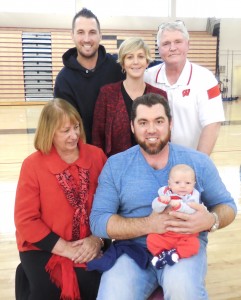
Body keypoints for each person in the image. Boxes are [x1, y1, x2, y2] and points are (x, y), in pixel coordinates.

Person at [90, 93, 237, 300]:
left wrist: (211, 220)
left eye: (159, 121)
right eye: (143, 122)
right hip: (133, 251)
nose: (151, 129)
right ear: (132, 126)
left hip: (182, 247)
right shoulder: (116, 166)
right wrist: (149, 225)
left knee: (184, 291)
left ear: (170, 124)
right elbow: (98, 221)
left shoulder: (198, 162)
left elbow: (227, 206)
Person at [14, 98, 107, 300]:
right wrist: (65, 249)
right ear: (50, 133)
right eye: (65, 131)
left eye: (76, 127)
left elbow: (109, 205)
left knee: (98, 286)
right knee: (47, 291)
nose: (74, 135)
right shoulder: (32, 165)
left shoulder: (96, 156)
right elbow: (25, 220)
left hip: (89, 244)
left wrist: (97, 240)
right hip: (43, 247)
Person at [144, 21, 225, 155]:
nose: (172, 48)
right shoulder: (148, 77)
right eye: (166, 43)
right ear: (158, 49)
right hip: (154, 160)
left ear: (188, 45)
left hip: (191, 158)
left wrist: (198, 163)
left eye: (178, 42)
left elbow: (212, 124)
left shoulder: (205, 78)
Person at [54, 8, 124, 144]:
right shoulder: (64, 80)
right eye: (80, 32)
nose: (87, 39)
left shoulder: (118, 67)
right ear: (72, 35)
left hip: (119, 152)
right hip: (85, 153)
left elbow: (145, 65)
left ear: (100, 35)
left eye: (92, 32)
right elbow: (64, 125)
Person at [92, 37, 167, 156]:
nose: (136, 62)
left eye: (141, 56)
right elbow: (97, 137)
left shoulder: (159, 95)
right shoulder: (107, 94)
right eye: (130, 57)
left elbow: (165, 136)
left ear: (147, 62)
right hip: (116, 167)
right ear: (123, 63)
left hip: (151, 164)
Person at [147, 164, 200, 269]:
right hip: (166, 234)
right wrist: (161, 202)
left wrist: (180, 206)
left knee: (194, 245)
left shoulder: (193, 196)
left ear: (194, 184)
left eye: (188, 183)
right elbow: (156, 208)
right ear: (169, 184)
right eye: (177, 182)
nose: (182, 186)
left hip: (185, 234)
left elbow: (192, 209)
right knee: (151, 239)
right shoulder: (165, 193)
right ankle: (161, 254)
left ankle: (176, 254)